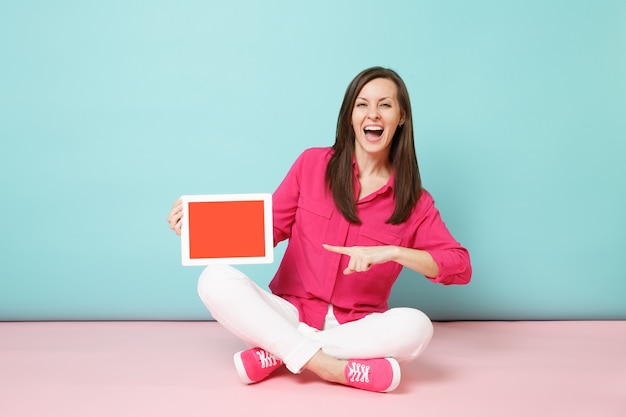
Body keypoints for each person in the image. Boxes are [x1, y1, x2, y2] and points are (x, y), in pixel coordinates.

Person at [167, 66, 471, 393]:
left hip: (356, 328)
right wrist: (199, 227)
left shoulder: (415, 202)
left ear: (401, 118)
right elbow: (266, 230)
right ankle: (330, 368)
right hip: (289, 312)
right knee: (214, 279)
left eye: (385, 105)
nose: (373, 114)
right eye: (362, 104)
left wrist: (393, 252)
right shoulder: (311, 165)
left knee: (418, 327)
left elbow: (460, 266)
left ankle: (280, 352)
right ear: (350, 116)